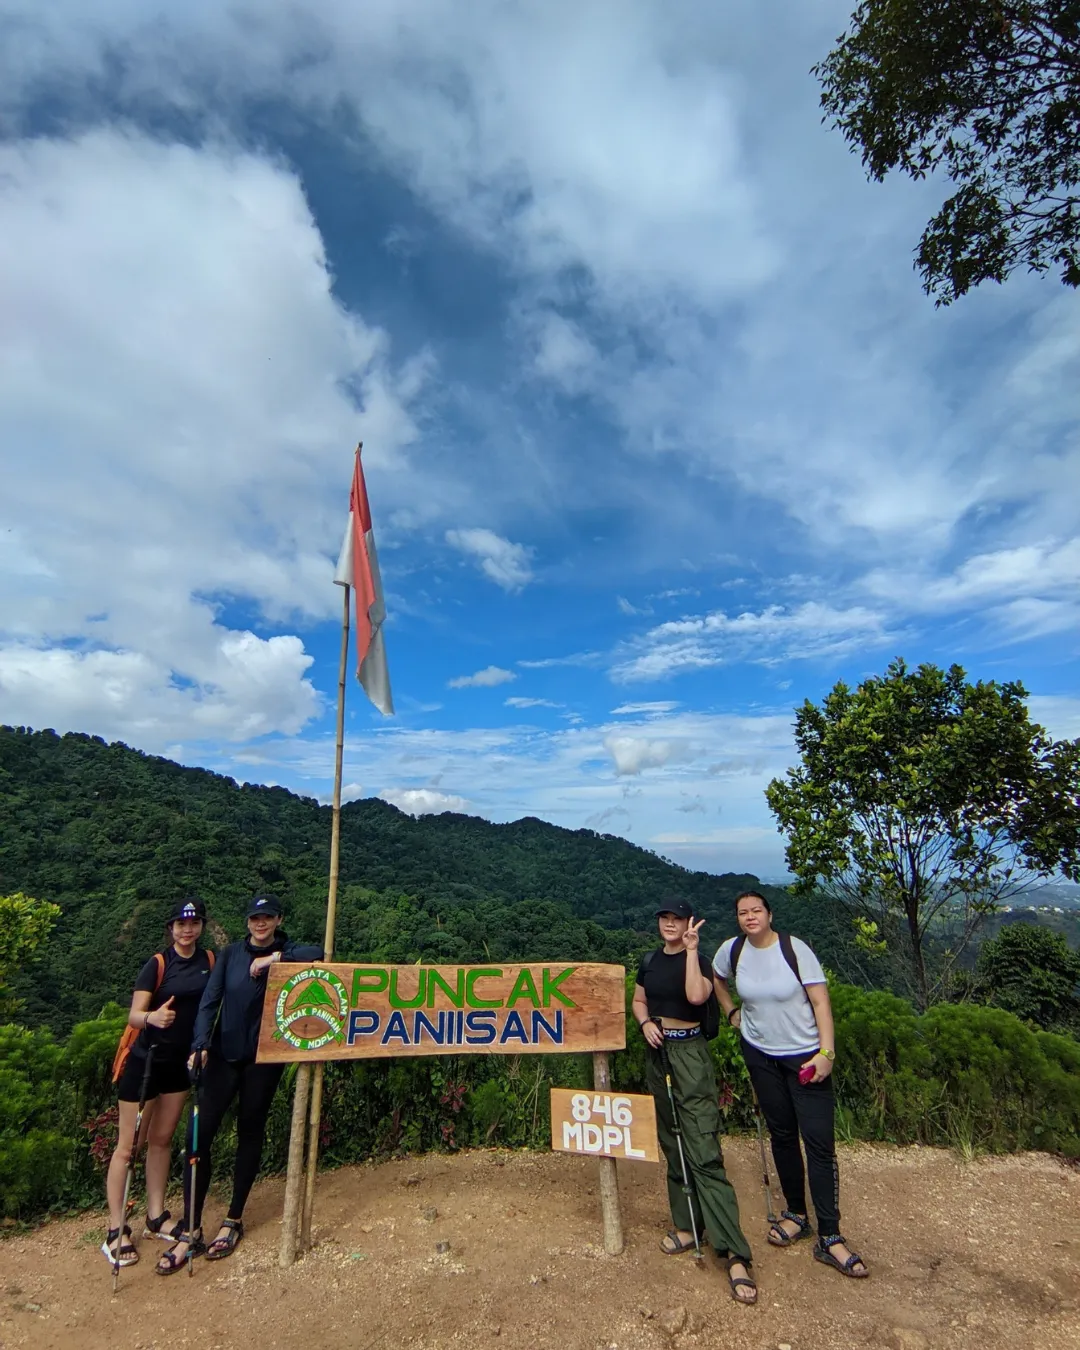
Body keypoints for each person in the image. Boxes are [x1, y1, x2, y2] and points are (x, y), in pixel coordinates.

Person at [156, 893, 322, 1274]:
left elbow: (319, 953)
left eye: (267, 917)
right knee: (197, 1138)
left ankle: (232, 1219)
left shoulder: (290, 950)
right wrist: (199, 1045)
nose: (260, 923)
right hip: (223, 1056)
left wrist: (273, 960)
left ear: (278, 919)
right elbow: (209, 1004)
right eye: (254, 917)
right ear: (246, 921)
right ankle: (191, 1228)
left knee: (251, 1132)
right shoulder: (230, 955)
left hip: (263, 1061)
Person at [712, 890, 868, 1279]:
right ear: (738, 918)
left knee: (819, 1144)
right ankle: (797, 1214)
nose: (750, 917)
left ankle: (831, 1236)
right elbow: (717, 981)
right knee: (782, 1134)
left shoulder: (794, 949)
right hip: (760, 1055)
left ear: (769, 914)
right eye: (743, 912)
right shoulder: (732, 952)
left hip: (804, 1056)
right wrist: (732, 1012)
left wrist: (826, 1054)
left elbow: (821, 1003)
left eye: (756, 911)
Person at [632, 898, 757, 1306]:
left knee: (702, 1146)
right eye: (664, 919)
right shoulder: (649, 960)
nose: (669, 924)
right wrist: (646, 1022)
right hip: (658, 1054)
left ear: (688, 923)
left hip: (689, 1053)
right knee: (673, 1143)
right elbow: (638, 1000)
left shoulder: (698, 961)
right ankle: (687, 1227)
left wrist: (690, 949)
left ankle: (734, 1252)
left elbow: (696, 996)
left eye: (676, 919)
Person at [102, 897, 215, 1266]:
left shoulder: (209, 961)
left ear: (201, 926)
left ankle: (155, 1215)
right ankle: (115, 1230)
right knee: (128, 1147)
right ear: (171, 928)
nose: (188, 930)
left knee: (162, 1140)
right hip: (146, 1062)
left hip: (179, 1066)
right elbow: (134, 1016)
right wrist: (153, 1018)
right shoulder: (158, 964)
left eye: (194, 923)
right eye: (181, 924)